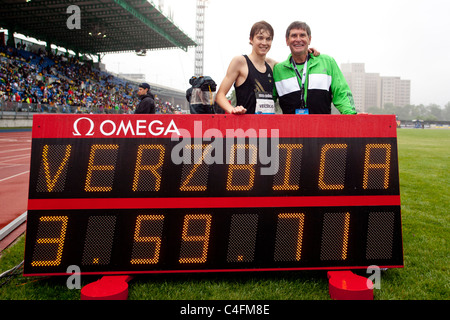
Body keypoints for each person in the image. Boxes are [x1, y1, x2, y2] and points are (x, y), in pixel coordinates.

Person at [216, 21, 319, 115]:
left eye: (268, 39)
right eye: (260, 38)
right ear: (251, 39)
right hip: (246, 129)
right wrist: (232, 110)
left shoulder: (273, 65)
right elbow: (220, 95)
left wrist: (308, 53)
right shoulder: (240, 62)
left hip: (267, 129)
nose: (264, 43)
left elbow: (295, 65)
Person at [273, 21, 357, 115]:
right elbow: (269, 101)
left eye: (302, 35)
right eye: (294, 36)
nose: (298, 39)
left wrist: (351, 117)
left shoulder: (327, 62)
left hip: (322, 127)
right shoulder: (278, 70)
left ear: (309, 39)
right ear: (287, 41)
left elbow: (342, 93)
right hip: (290, 128)